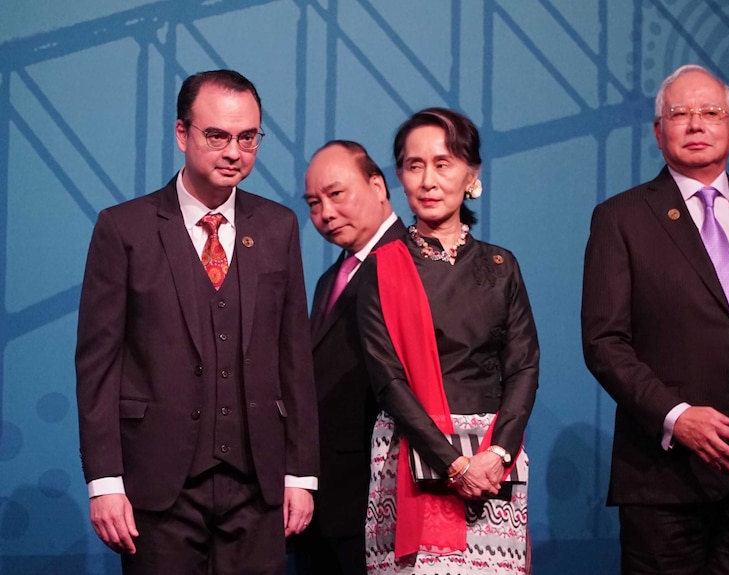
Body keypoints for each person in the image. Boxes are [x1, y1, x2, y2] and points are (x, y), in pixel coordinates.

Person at [581, 64, 729, 574]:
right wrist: (677, 416)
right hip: (664, 478)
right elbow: (605, 342)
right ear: (657, 130)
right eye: (681, 114)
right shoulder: (620, 218)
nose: (697, 124)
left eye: (711, 112)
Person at [75, 69, 319, 575]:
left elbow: (294, 357)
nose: (234, 151)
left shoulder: (277, 228)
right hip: (158, 487)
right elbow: (97, 367)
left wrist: (301, 474)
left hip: (259, 486)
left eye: (248, 138)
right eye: (218, 136)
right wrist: (105, 482)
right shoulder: (125, 229)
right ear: (183, 134)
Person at [356, 107, 540, 574]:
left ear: (471, 174)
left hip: (493, 461)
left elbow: (523, 367)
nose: (429, 180)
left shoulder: (502, 266)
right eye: (415, 166)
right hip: (410, 457)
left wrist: (496, 455)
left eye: (444, 163)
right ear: (399, 176)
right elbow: (388, 379)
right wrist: (452, 464)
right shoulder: (382, 268)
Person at [295, 140, 406, 575]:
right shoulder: (330, 278)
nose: (325, 212)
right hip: (324, 504)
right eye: (313, 203)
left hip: (382, 500)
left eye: (336, 194)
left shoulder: (412, 261)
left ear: (378, 185)